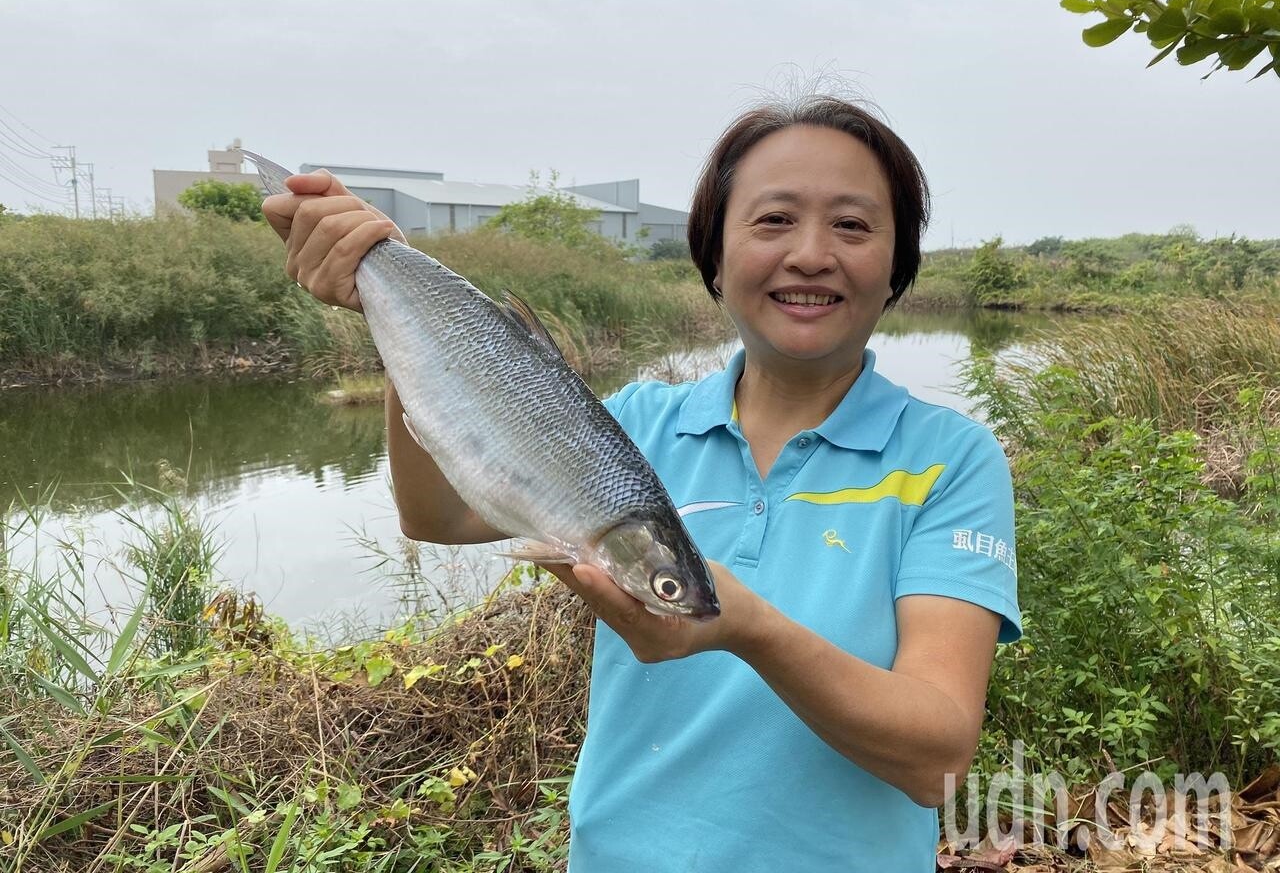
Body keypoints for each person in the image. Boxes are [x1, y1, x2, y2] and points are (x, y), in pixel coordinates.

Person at [262, 96, 1022, 872]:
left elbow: (939, 758)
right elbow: (438, 516)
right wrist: (394, 306)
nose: (811, 254)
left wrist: (751, 629)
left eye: (853, 225)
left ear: (898, 261)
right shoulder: (631, 427)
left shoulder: (949, 461)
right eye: (773, 221)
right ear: (714, 256)